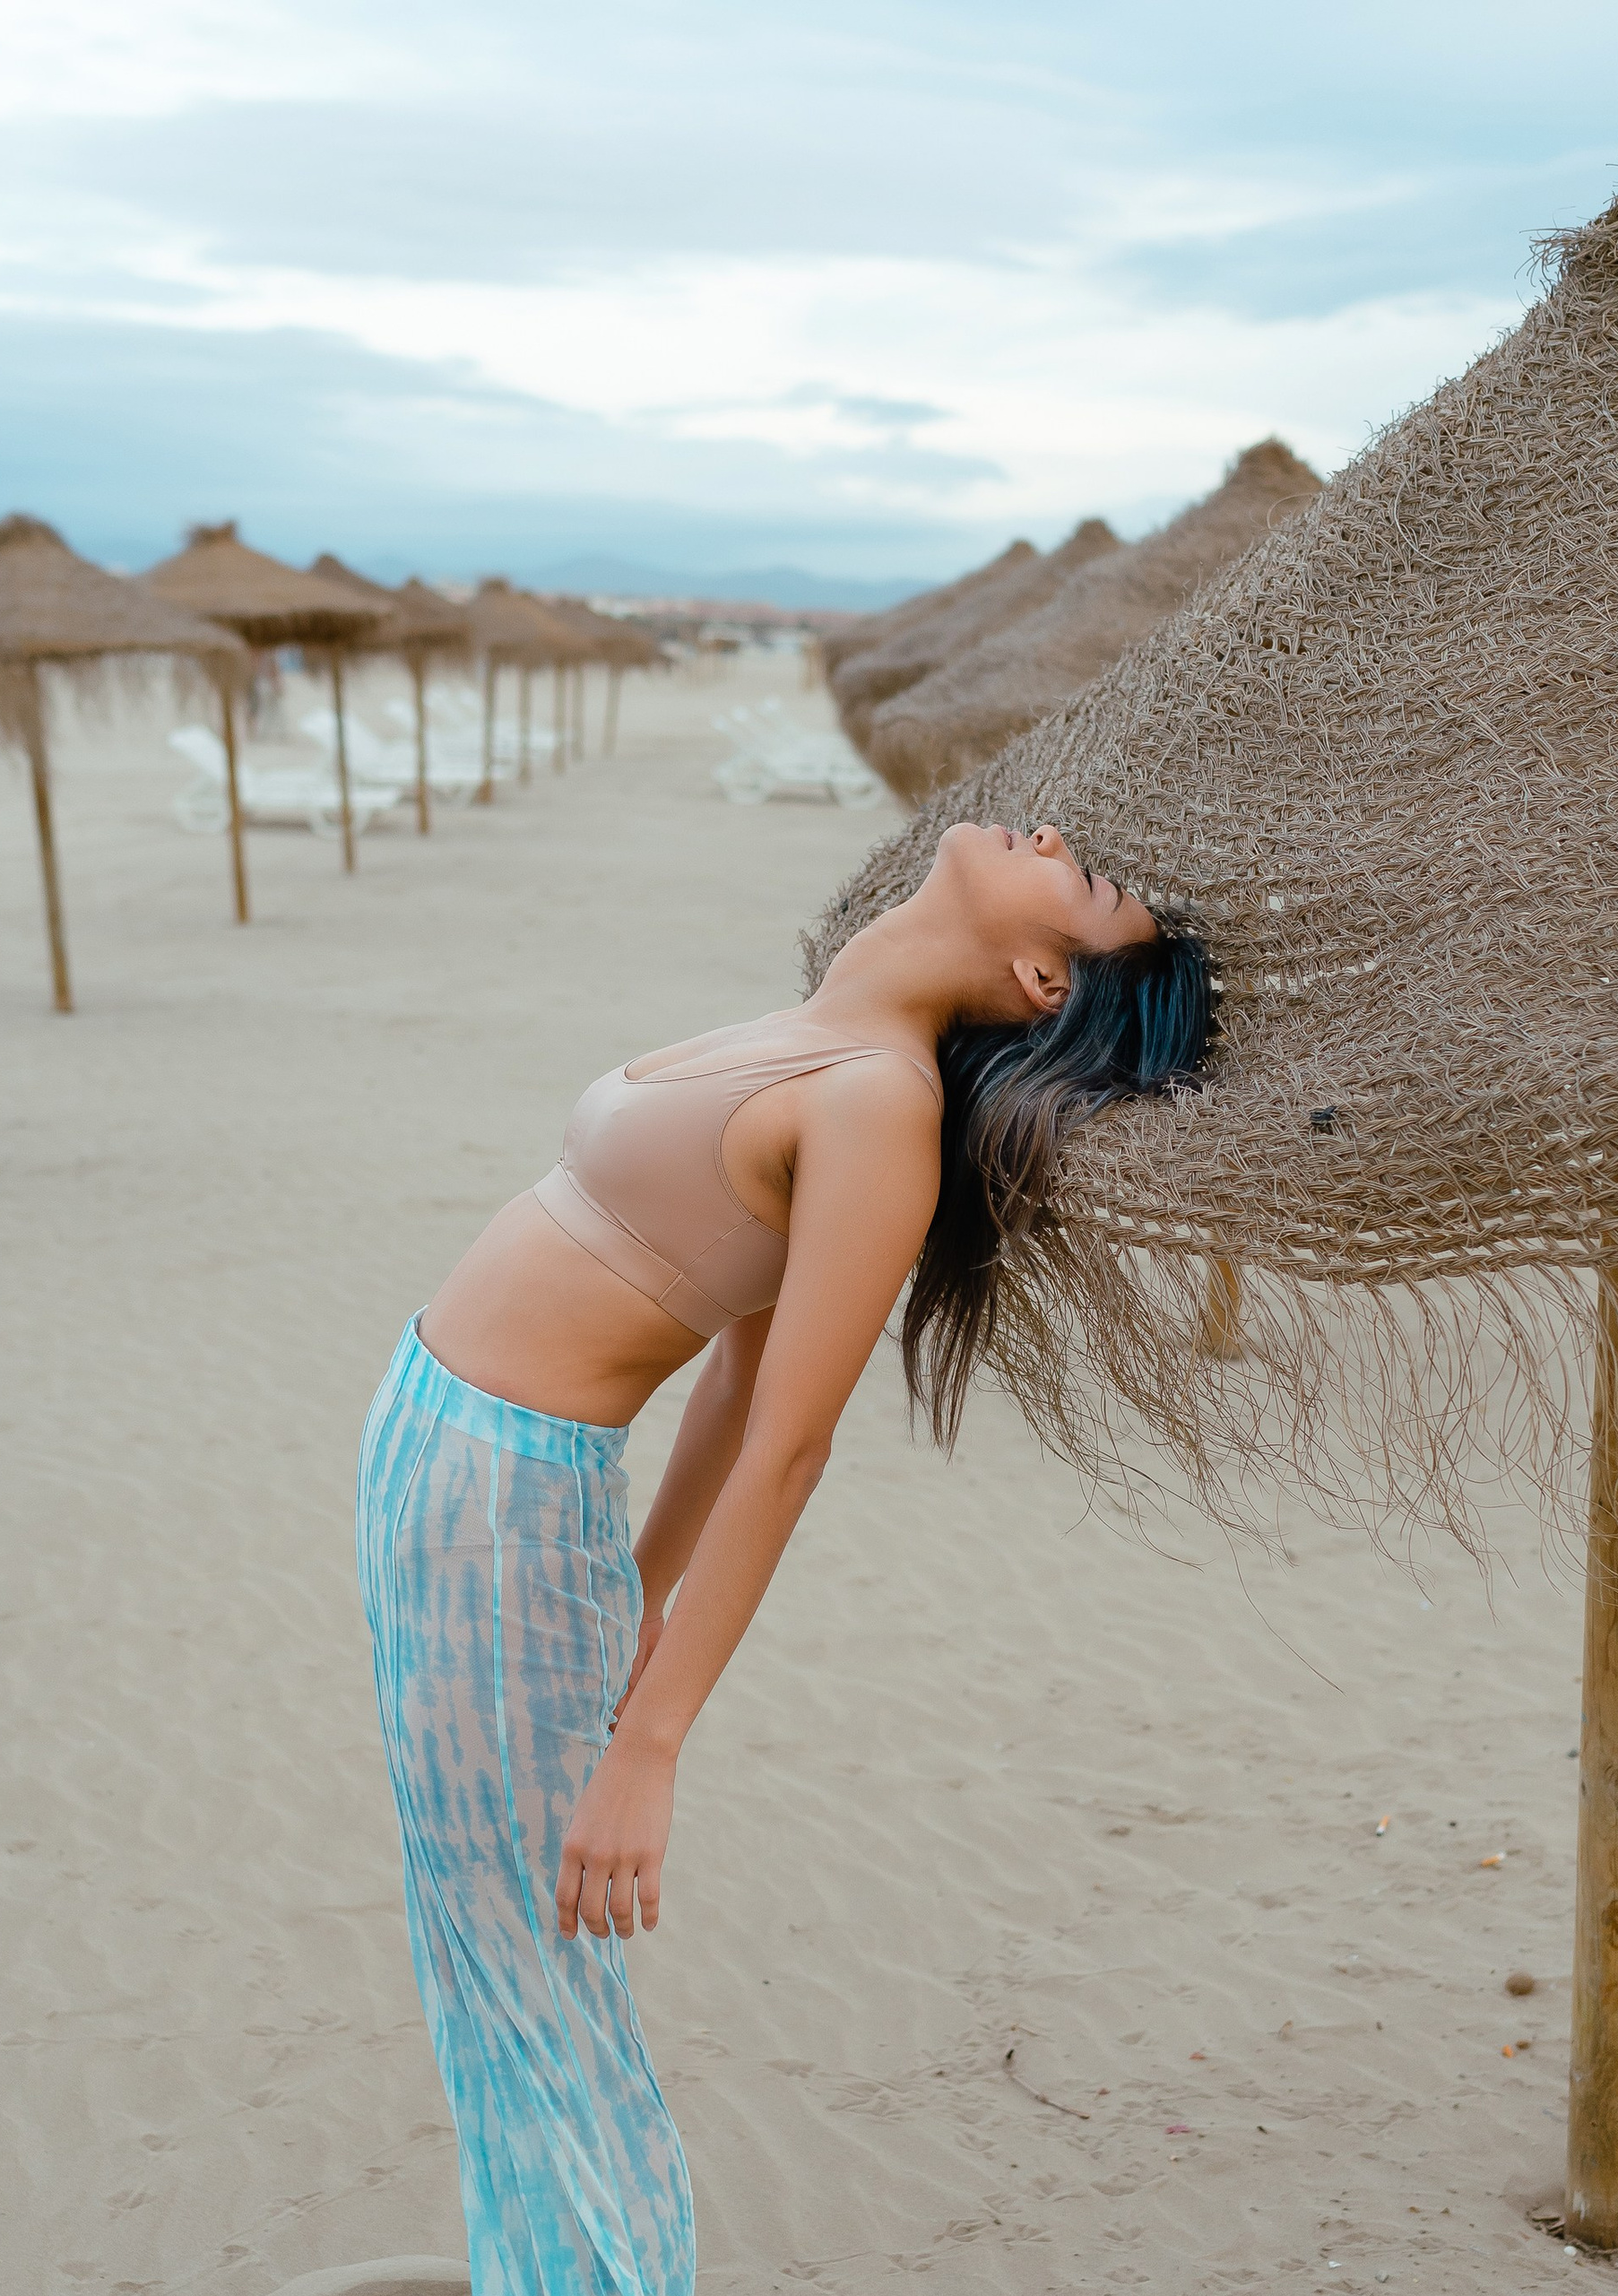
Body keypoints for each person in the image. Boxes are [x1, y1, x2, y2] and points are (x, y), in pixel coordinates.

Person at [357, 821, 1214, 2296]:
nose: (1061, 837)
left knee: (529, 1983)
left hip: (498, 1492)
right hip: (452, 1469)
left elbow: (790, 1441)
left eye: (1085, 886)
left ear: (1033, 970)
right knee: (479, 1954)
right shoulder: (828, 1030)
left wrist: (651, 1739)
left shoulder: (876, 1106)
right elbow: (733, 1374)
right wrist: (635, 1580)